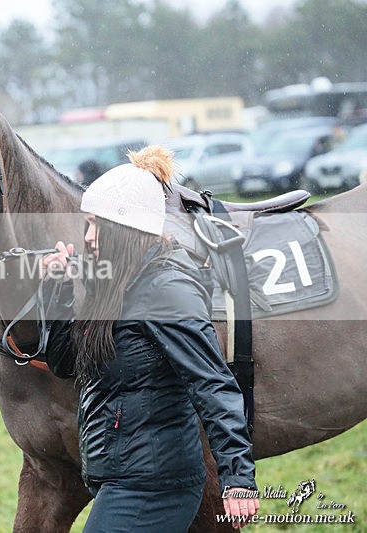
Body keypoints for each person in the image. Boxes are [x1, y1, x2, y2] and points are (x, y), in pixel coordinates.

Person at [40, 145, 258, 532]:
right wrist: (56, 290)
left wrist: (238, 479)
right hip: (122, 477)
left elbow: (214, 385)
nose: (87, 236)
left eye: (95, 224)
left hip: (156, 485)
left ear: (124, 228)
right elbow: (66, 363)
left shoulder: (167, 291)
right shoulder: (115, 285)